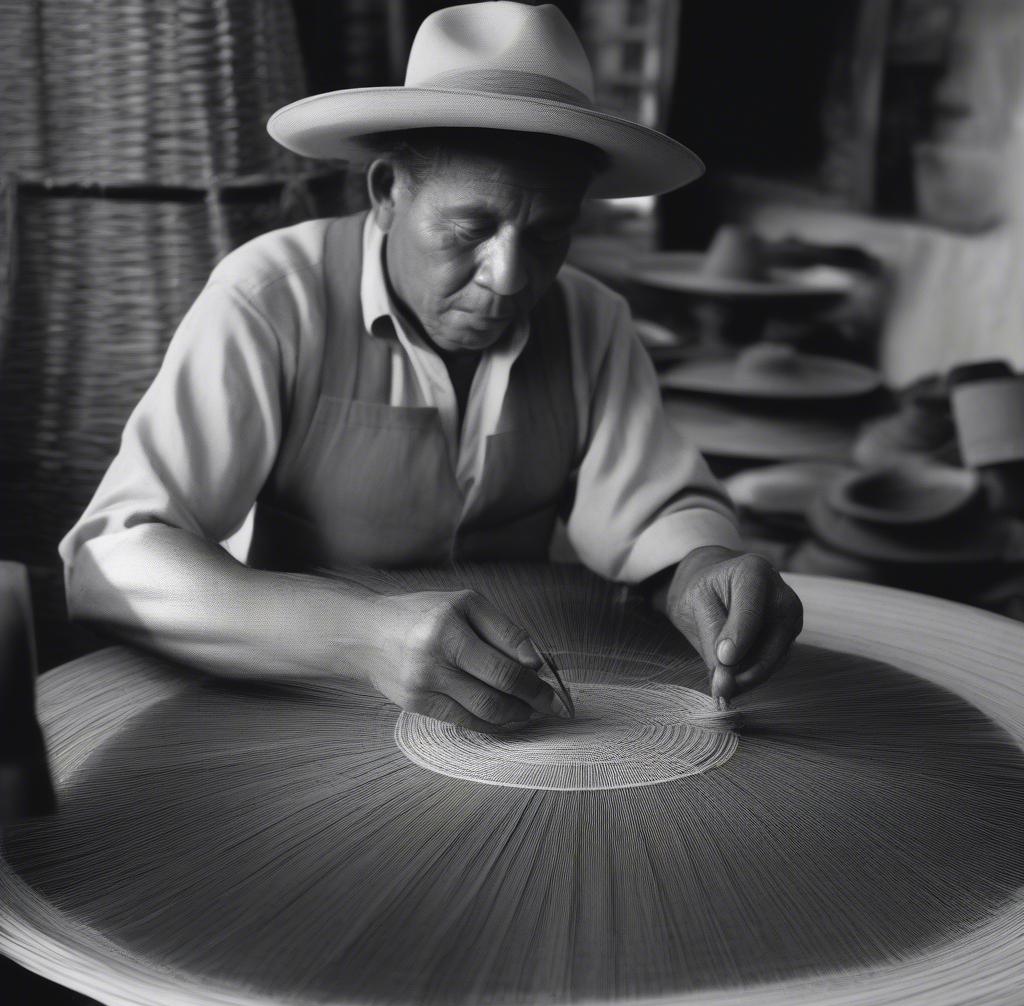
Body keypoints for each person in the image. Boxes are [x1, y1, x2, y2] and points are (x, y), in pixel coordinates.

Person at [59, 2, 802, 731]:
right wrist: (359, 634)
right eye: (470, 227)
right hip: (315, 707)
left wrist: (702, 571)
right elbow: (111, 562)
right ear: (387, 193)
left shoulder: (591, 319)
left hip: (529, 715)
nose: (510, 276)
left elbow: (658, 515)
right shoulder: (271, 298)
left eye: (547, 235)